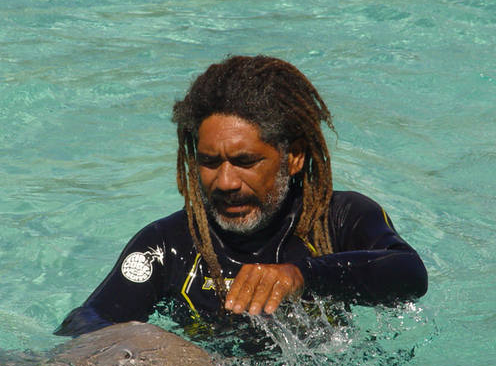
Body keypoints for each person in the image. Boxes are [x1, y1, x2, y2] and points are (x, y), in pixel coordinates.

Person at [54, 55, 427, 338]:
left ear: (293, 156)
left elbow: (408, 273)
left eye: (245, 162)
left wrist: (302, 276)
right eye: (210, 163)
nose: (226, 182)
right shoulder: (168, 244)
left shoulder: (340, 218)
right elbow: (87, 321)